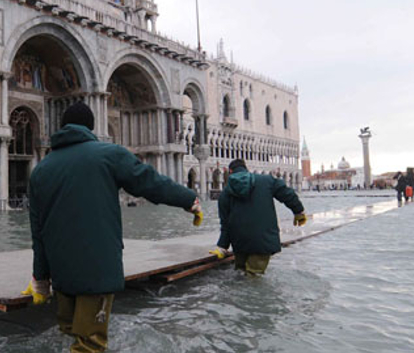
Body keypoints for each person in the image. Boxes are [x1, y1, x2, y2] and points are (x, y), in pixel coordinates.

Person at [23, 102, 200, 353]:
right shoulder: (108, 154)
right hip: (97, 269)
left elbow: (37, 232)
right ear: (91, 127)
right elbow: (150, 182)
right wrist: (186, 199)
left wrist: (40, 277)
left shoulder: (41, 170)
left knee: (67, 334)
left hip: (60, 272)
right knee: (89, 345)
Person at [209, 159, 306, 276]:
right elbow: (287, 194)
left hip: (239, 241)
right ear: (246, 169)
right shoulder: (267, 181)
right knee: (254, 277)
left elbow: (225, 224)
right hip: (263, 239)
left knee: (240, 274)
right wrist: (298, 211)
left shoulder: (225, 193)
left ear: (230, 171)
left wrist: (222, 247)